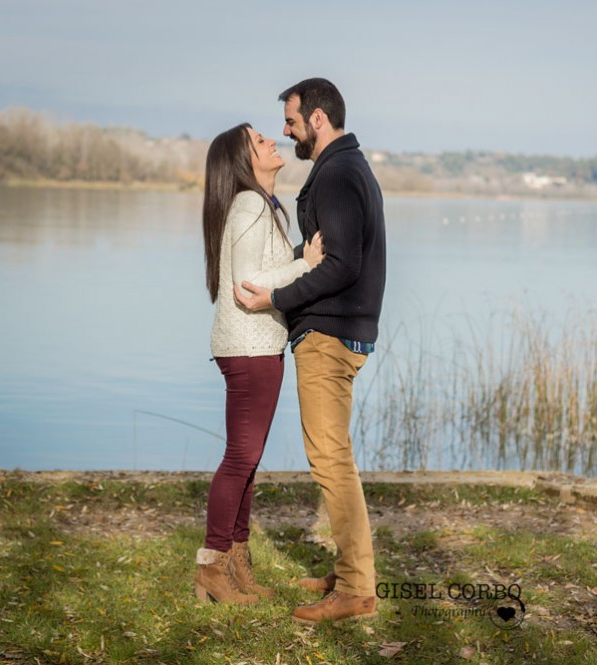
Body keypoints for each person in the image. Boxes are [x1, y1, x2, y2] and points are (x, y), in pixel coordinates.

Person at [234, 78, 387, 623]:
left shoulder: (340, 174)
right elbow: (329, 251)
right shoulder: (346, 167)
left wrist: (275, 297)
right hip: (337, 330)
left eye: (292, 120)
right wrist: (297, 259)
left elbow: (341, 263)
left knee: (330, 461)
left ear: (318, 118)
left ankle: (355, 589)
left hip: (328, 334)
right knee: (335, 456)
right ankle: (350, 571)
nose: (286, 129)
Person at [195, 122, 324, 604]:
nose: (272, 140)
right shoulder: (250, 205)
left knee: (248, 463)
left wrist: (294, 257)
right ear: (245, 160)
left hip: (256, 345)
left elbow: (261, 266)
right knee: (240, 461)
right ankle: (212, 565)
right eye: (259, 140)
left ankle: (236, 563)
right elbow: (249, 284)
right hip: (249, 347)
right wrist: (306, 264)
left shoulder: (261, 207)